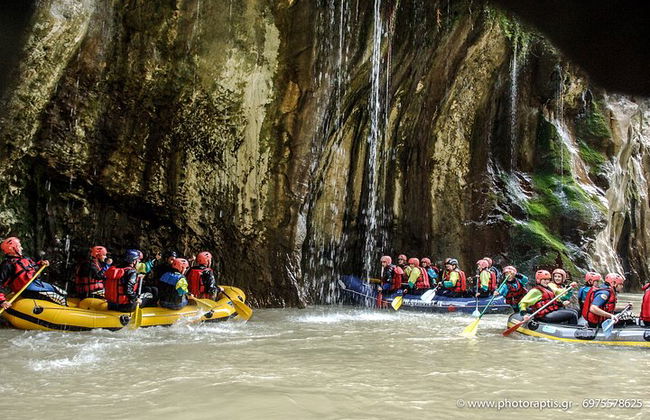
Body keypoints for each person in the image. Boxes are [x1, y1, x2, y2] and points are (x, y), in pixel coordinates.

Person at [0, 237, 66, 306]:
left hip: (36, 284)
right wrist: (2, 301)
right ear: (12, 248)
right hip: (26, 290)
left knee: (63, 293)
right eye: (19, 246)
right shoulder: (7, 265)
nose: (22, 248)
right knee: (60, 299)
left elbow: (33, 267)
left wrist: (41, 264)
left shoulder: (25, 258)